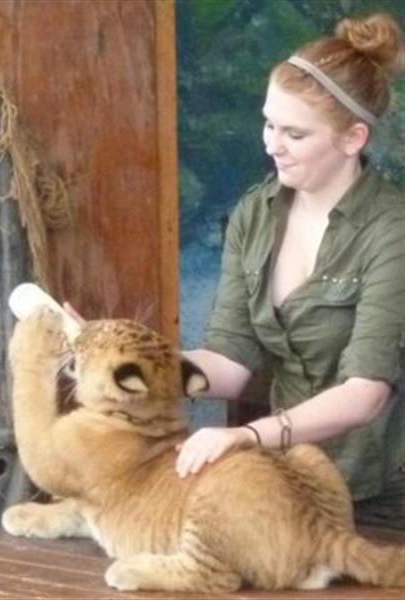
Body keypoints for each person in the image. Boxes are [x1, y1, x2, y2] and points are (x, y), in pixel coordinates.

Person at [175, 13, 405, 530]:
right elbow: (229, 363)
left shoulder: (393, 228)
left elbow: (365, 393)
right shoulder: (255, 214)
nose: (271, 145)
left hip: (382, 500)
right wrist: (131, 365)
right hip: (289, 487)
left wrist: (247, 437)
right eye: (268, 123)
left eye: (294, 133)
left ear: (353, 138)